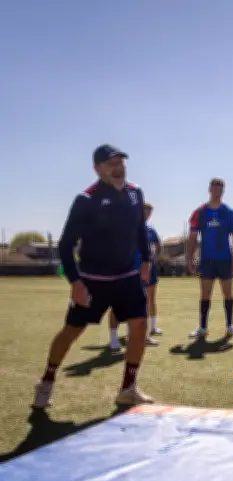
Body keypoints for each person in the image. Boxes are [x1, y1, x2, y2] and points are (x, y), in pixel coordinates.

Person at [33, 145, 155, 409]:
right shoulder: (86, 200)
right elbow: (65, 245)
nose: (118, 167)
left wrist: (146, 260)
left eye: (121, 161)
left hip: (127, 276)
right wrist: (75, 282)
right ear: (97, 169)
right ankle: (46, 381)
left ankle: (128, 388)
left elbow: (139, 231)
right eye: (111, 163)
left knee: (140, 326)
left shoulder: (135, 193)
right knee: (71, 331)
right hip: (93, 280)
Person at [186, 178, 233, 338]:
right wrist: (190, 258)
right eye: (214, 189)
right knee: (205, 294)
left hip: (225, 259)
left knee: (228, 293)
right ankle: (202, 328)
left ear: (223, 191)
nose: (217, 192)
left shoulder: (230, 213)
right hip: (207, 260)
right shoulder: (200, 212)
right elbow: (192, 237)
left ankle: (230, 326)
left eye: (220, 189)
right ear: (209, 189)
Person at [108, 202, 162, 350]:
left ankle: (140, 336)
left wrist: (152, 261)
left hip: (146, 272)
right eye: (144, 211)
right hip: (128, 272)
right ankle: (113, 339)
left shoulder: (150, 231)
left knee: (141, 304)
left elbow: (157, 247)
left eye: (149, 212)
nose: (146, 214)